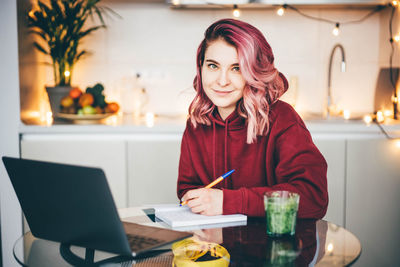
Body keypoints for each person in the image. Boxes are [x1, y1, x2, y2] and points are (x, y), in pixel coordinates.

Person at [177, 18, 328, 218]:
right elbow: (187, 191)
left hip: (271, 245)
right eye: (213, 66)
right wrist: (196, 198)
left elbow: (313, 197)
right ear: (201, 67)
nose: (222, 81)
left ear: (254, 72)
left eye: (237, 68)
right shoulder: (197, 123)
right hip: (213, 246)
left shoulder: (283, 118)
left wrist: (227, 201)